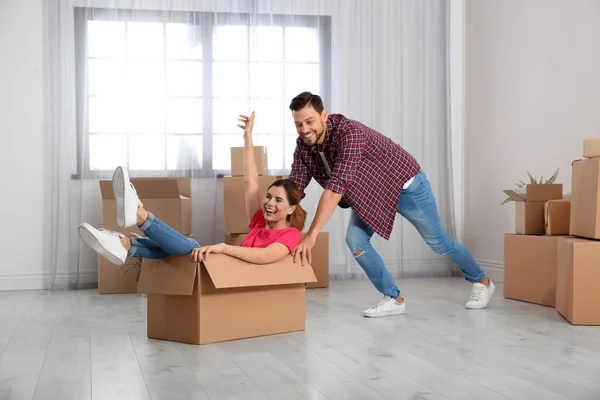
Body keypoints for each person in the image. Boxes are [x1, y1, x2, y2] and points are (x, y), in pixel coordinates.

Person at [286, 91, 495, 318]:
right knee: (355, 240)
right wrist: (275, 212)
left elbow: (336, 186)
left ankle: (482, 282)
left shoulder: (349, 133)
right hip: (371, 192)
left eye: (309, 121)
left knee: (438, 242)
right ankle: (393, 298)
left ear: (323, 115)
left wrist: (312, 234)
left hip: (405, 184)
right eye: (298, 124)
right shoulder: (303, 146)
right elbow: (294, 187)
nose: (304, 129)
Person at [78, 112, 307, 266]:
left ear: (291, 208)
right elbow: (250, 183)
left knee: (192, 247)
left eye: (278, 200)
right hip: (229, 268)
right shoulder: (259, 221)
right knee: (181, 249)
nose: (269, 203)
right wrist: (247, 136)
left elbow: (265, 256)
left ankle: (139, 216)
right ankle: (125, 243)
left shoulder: (291, 234)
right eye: (269, 197)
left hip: (238, 273)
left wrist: (222, 248)